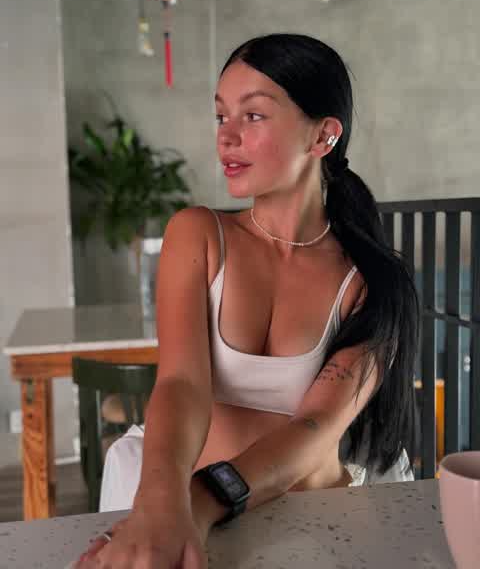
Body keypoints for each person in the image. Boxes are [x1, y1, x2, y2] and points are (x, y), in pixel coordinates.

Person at [76, 33, 419, 569]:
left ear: (323, 135)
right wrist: (161, 501)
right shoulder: (198, 234)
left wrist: (197, 503)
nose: (226, 136)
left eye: (253, 115)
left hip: (299, 509)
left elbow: (317, 427)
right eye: (221, 116)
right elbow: (181, 383)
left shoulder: (372, 281)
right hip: (178, 498)